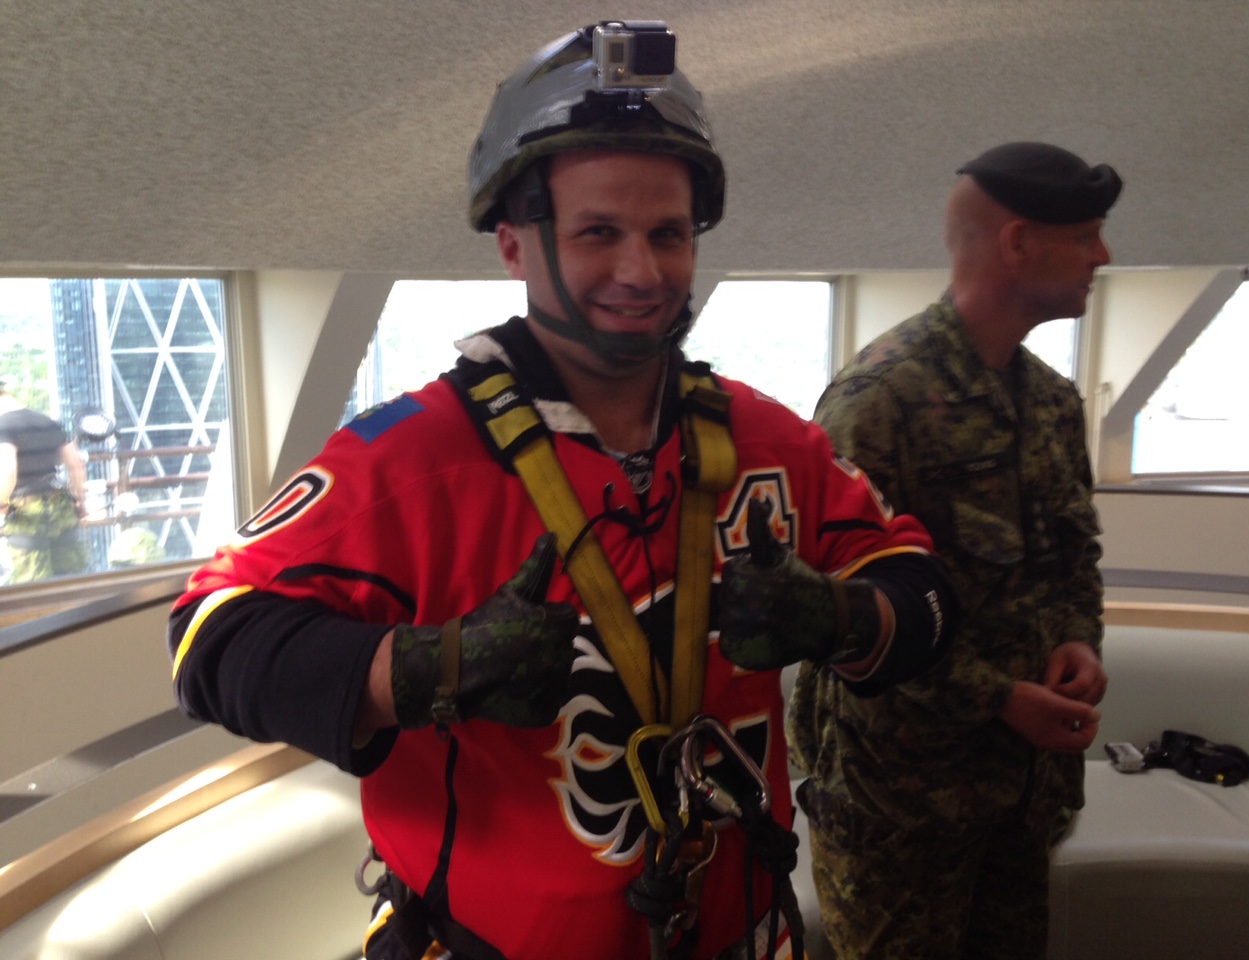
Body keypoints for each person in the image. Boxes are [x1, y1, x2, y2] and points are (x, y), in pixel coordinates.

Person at [167, 21, 956, 960]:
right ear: (513, 245)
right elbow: (208, 640)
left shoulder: (767, 441)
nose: (643, 271)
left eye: (669, 234)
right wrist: (430, 670)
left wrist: (842, 618)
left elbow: (929, 593)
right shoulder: (407, 458)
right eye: (598, 233)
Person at [794, 141, 1117, 959]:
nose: (1103, 255)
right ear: (1017, 243)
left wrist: (1079, 638)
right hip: (900, 804)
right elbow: (836, 618)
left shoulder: (1048, 400)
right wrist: (996, 695)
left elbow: (1075, 555)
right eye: (1086, 235)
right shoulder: (879, 399)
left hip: (1018, 792)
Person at [0, 375, 89, 583]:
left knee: (35, 589)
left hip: (27, 515)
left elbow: (8, 471)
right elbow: (76, 466)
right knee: (73, 583)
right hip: (62, 507)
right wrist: (79, 501)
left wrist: (1, 503)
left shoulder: (3, 426)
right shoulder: (47, 422)